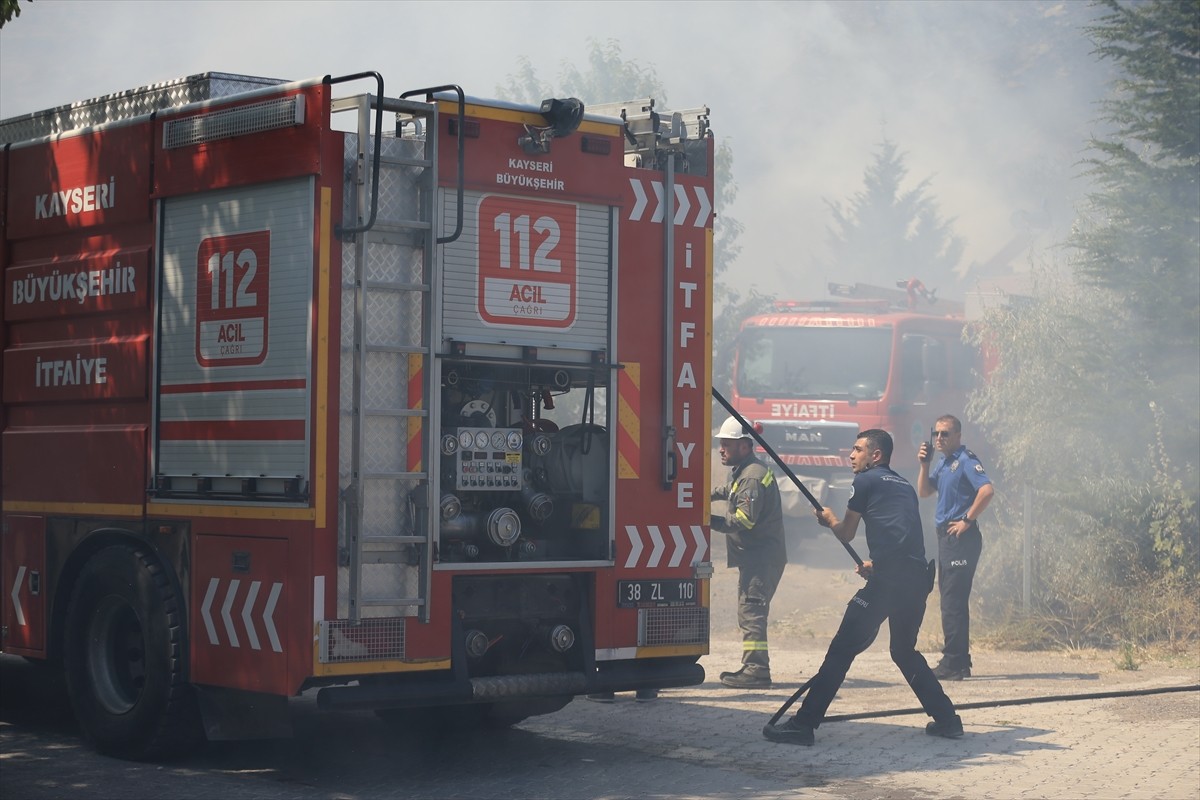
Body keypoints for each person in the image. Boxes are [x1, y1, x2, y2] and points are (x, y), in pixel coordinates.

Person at [763, 429, 962, 746]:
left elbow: (846, 532)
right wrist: (877, 566)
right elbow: (903, 536)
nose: (851, 455)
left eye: (857, 450)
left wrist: (829, 519)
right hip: (915, 576)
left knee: (841, 649)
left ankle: (803, 725)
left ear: (876, 455)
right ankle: (948, 720)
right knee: (903, 651)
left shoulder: (865, 482)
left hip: (892, 580)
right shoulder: (904, 485)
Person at [709, 416, 787, 688]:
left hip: (761, 558)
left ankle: (756, 671)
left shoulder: (751, 477)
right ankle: (753, 667)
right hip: (758, 556)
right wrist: (701, 495)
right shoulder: (745, 472)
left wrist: (705, 519)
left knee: (752, 613)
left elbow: (744, 520)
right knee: (748, 612)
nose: (721, 449)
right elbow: (728, 490)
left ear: (744, 446)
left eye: (726, 445)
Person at [916, 414, 994, 681]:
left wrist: (967, 520)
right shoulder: (944, 462)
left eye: (945, 434)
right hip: (946, 539)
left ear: (958, 436)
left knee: (953, 602)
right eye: (937, 433)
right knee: (949, 601)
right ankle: (957, 660)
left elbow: (986, 491)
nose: (939, 438)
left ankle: (955, 663)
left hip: (960, 538)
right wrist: (924, 465)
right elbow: (925, 491)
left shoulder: (965, 460)